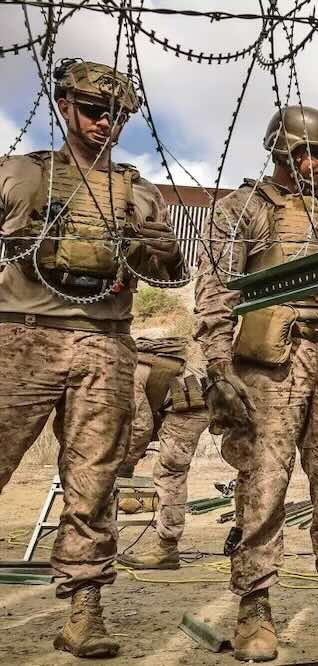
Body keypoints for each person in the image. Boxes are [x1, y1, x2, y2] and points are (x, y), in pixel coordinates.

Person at [0, 58, 186, 658]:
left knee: (93, 480)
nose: (105, 122)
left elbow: (170, 272)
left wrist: (164, 253)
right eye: (92, 110)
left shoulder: (138, 192)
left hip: (105, 339)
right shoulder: (23, 176)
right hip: (25, 333)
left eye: (116, 114)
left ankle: (84, 609)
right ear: (64, 107)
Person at [193, 105, 318, 661]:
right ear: (281, 150)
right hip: (270, 364)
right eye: (308, 151)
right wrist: (217, 368)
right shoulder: (241, 209)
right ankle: (255, 603)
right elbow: (216, 296)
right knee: (263, 484)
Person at [117, 336, 210, 570]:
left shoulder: (128, 370)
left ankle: (166, 548)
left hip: (189, 408)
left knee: (170, 473)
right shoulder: (135, 363)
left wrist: (126, 463)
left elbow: (141, 426)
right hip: (186, 405)